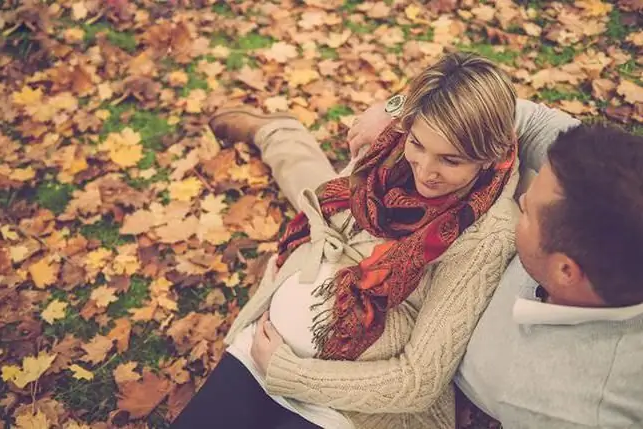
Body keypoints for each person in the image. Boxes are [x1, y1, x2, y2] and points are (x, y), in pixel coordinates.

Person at [172, 52, 521, 429]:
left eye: (450, 161)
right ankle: (276, 132)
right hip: (262, 354)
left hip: (349, 412)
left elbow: (419, 380)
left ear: (491, 155)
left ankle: (277, 133)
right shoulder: (390, 148)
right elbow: (327, 213)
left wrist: (289, 372)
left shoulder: (486, 234)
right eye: (417, 144)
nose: (425, 170)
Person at [350, 101, 643, 427]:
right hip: (419, 248)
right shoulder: (597, 175)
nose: (521, 200)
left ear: (565, 271)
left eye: (529, 213)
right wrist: (403, 110)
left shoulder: (582, 413)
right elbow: (520, 116)